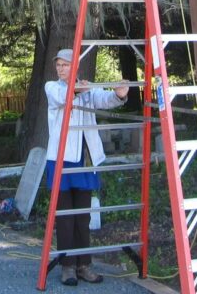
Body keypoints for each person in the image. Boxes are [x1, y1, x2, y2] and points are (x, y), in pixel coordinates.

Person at [45, 48, 130, 286]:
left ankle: (84, 264)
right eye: (59, 65)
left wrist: (119, 95)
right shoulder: (52, 88)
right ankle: (67, 266)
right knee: (65, 216)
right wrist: (78, 89)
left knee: (82, 216)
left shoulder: (87, 87)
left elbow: (105, 99)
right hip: (61, 159)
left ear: (76, 66)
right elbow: (64, 98)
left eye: (65, 65)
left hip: (84, 159)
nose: (61, 69)